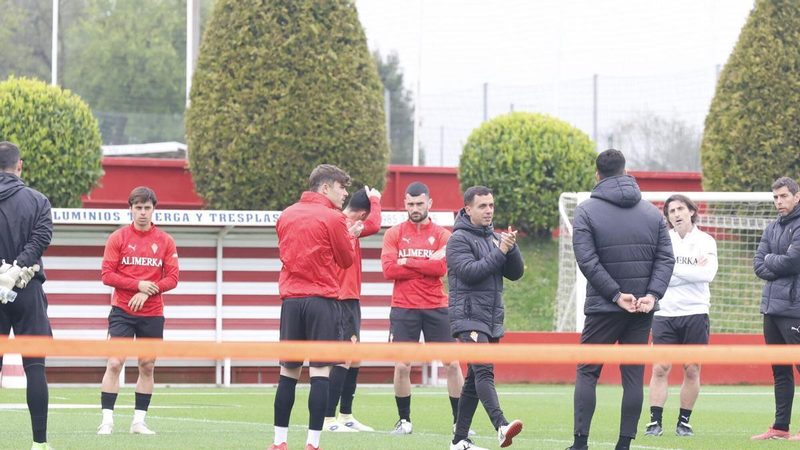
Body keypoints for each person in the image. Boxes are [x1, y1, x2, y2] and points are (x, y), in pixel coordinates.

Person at [567, 149, 674, 450]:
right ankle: (624, 444)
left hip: (604, 307)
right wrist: (651, 295)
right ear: (626, 172)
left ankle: (580, 444)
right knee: (633, 375)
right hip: (641, 309)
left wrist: (615, 295)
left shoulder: (586, 211)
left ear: (597, 175)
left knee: (588, 371)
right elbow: (666, 259)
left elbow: (587, 260)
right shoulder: (652, 213)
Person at [269, 164, 355, 450]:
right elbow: (345, 260)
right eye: (342, 187)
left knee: (288, 373)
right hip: (322, 302)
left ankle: (279, 442)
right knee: (320, 373)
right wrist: (350, 236)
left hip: (291, 302)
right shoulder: (334, 217)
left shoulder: (286, 214)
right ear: (325, 187)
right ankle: (312, 444)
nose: (345, 193)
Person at [381, 181, 465, 435]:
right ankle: (404, 421)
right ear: (405, 204)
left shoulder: (443, 235)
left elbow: (441, 268)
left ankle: (459, 423)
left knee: (452, 364)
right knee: (402, 366)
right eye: (410, 203)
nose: (415, 208)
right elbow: (389, 269)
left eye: (419, 203)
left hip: (436, 306)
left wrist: (406, 260)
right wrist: (425, 262)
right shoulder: (393, 234)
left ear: (429, 203)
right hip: (403, 307)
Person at [446, 186, 525, 450]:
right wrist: (500, 251)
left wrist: (511, 248)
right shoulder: (458, 239)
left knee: (473, 380)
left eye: (491, 205)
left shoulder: (494, 238)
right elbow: (471, 272)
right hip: (468, 317)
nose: (489, 210)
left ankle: (459, 440)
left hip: (490, 319)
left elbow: (516, 273)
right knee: (484, 371)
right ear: (468, 209)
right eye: (482, 206)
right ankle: (501, 425)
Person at [97, 186, 179, 436]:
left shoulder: (165, 240)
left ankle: (138, 422)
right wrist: (137, 285)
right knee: (114, 362)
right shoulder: (118, 238)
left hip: (152, 313)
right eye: (138, 207)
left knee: (147, 365)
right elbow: (106, 275)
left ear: (154, 210)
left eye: (147, 208)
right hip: (122, 311)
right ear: (131, 209)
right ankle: (107, 421)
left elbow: (173, 278)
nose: (143, 212)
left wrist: (147, 291)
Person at [645, 194, 717, 438]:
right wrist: (690, 270)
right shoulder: (663, 240)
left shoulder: (706, 240)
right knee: (660, 368)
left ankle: (684, 422)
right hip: (665, 313)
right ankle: (654, 422)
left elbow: (707, 274)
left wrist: (672, 270)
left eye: (680, 209)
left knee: (692, 369)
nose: (676, 214)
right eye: (671, 211)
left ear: (691, 211)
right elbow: (657, 277)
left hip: (695, 312)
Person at [0, 141, 54, 450]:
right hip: (27, 287)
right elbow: (41, 238)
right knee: (34, 367)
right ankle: (39, 443)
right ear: (19, 165)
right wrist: (18, 267)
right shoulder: (38, 200)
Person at [324, 185, 382, 433]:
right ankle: (328, 419)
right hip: (341, 298)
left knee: (354, 357)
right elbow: (376, 224)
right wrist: (376, 199)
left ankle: (346, 414)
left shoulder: (348, 223)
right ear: (362, 214)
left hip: (350, 299)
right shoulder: (342, 223)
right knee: (343, 358)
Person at [751, 176, 800, 441]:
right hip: (770, 309)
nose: (779, 201)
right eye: (775, 197)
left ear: (797, 196)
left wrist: (772, 259)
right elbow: (759, 265)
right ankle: (781, 427)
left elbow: (794, 261)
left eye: (783, 196)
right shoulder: (771, 227)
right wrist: (775, 261)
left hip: (795, 308)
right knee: (780, 370)